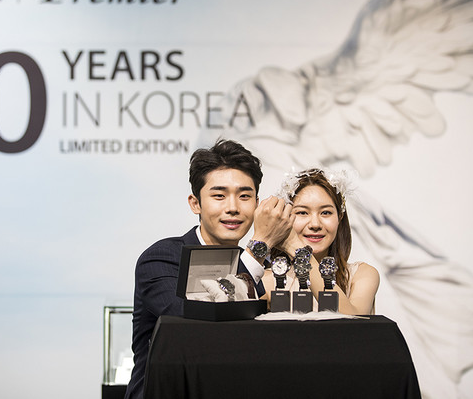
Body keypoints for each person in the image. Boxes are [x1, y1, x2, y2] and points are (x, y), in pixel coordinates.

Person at [124, 139, 292, 399]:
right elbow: (193, 326)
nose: (233, 207)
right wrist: (261, 246)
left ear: (257, 204)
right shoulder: (161, 258)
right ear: (195, 203)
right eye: (219, 195)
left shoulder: (265, 267)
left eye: (244, 196)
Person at [261, 168, 379, 314]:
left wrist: (297, 250)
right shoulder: (269, 281)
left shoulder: (361, 275)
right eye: (302, 212)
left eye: (325, 212)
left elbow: (353, 322)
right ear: (286, 217)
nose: (315, 224)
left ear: (340, 217)